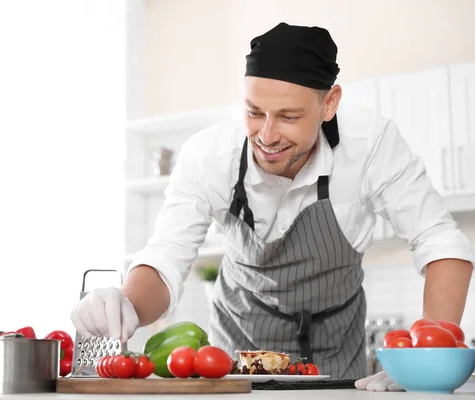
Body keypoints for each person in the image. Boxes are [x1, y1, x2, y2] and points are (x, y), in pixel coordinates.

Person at [71, 22, 474, 391]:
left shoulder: (372, 146)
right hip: (235, 359)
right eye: (253, 111)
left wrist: (424, 357)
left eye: (288, 116)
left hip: (339, 355)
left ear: (329, 103)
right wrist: (125, 302)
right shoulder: (209, 156)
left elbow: (440, 242)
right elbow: (164, 261)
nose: (266, 135)